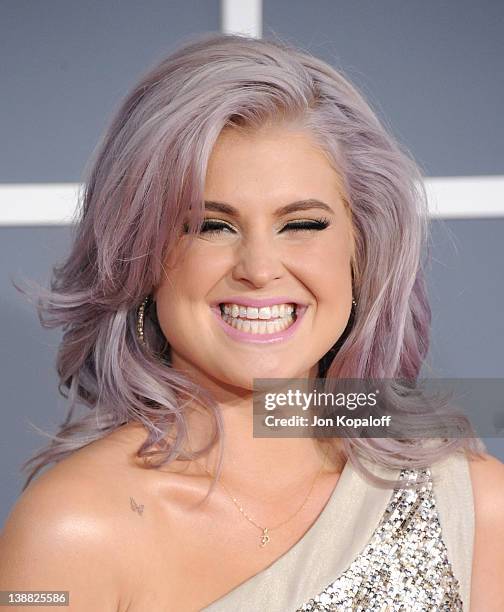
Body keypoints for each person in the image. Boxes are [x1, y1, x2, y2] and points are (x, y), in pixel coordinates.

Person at [1, 32, 503, 612]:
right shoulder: (71, 532)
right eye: (212, 225)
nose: (260, 270)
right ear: (139, 259)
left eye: (303, 225)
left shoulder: (468, 500)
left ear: (361, 254)